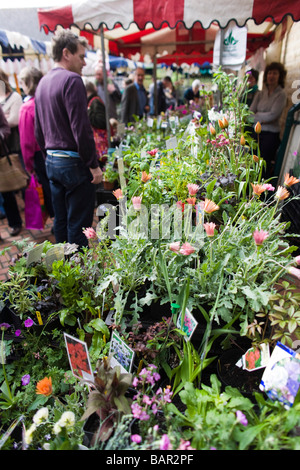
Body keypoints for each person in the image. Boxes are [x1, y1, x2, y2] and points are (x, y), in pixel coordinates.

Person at [34, 29, 103, 248]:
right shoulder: (72, 80)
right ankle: (79, 275)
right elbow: (81, 129)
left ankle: (65, 276)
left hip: (52, 162)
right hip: (73, 163)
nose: (84, 63)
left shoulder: (42, 83)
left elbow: (39, 131)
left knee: (61, 222)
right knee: (79, 226)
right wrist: (93, 165)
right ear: (66, 53)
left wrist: (50, 156)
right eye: (81, 56)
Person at [18, 66, 54, 221]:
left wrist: (28, 166)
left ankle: (56, 219)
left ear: (28, 83)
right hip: (56, 150)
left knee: (48, 190)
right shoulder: (50, 100)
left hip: (40, 155)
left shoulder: (27, 108)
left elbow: (27, 141)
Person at [250, 62, 287, 179]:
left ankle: (261, 191)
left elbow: (273, 115)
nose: (271, 76)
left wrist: (258, 115)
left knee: (263, 164)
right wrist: (262, 117)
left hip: (270, 135)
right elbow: (249, 114)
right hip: (256, 133)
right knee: (251, 162)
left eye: (275, 73)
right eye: (269, 73)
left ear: (280, 76)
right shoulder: (260, 94)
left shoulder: (281, 95)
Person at [0, 69, 23, 236]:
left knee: (8, 189)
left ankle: (16, 222)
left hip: (5, 151)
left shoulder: (14, 97)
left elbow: (8, 124)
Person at [85, 80, 108, 168]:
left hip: (100, 142)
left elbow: (101, 121)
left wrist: (88, 113)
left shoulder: (94, 102)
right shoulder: (95, 101)